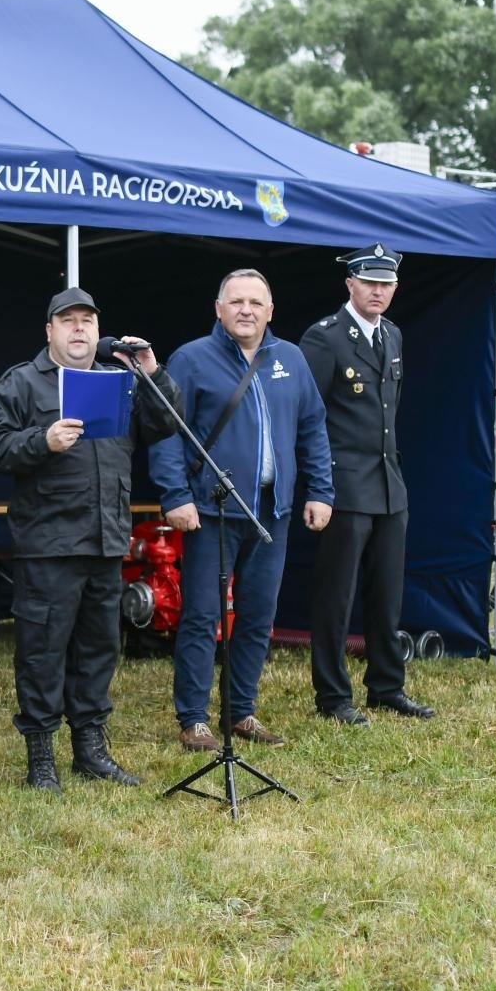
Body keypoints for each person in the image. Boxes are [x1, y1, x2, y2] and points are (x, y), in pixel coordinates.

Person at [0, 287, 179, 790]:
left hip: (106, 539)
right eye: (68, 321)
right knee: (43, 649)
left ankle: (90, 749)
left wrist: (152, 373)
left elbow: (165, 424)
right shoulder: (23, 382)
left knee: (99, 648)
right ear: (50, 331)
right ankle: (40, 757)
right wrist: (40, 441)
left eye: (87, 320)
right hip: (49, 542)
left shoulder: (118, 380)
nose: (80, 329)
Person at [151, 269, 333, 751]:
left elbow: (313, 427)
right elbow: (164, 429)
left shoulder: (290, 359)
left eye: (256, 302)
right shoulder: (191, 359)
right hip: (212, 513)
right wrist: (176, 496)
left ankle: (241, 712)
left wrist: (321, 491)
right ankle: (194, 718)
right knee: (201, 615)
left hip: (273, 513)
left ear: (271, 311)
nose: (246, 310)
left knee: (257, 617)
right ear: (218, 308)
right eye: (236, 301)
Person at [299, 244, 433, 724]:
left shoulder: (392, 335)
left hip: (388, 483)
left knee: (387, 593)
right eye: (369, 281)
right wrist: (318, 485)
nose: (378, 290)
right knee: (336, 596)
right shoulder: (324, 338)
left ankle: (386, 686)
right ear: (349, 284)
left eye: (386, 282)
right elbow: (307, 416)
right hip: (344, 484)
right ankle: (333, 696)